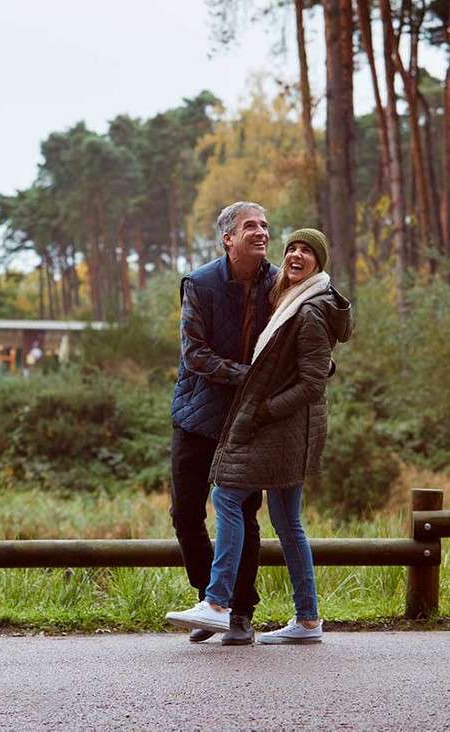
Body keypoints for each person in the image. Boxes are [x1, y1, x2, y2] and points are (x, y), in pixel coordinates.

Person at [166, 228, 353, 645]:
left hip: (280, 425)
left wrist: (263, 405)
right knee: (287, 521)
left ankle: (219, 604)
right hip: (275, 423)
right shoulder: (288, 296)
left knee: (229, 498)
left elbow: (312, 377)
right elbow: (308, 366)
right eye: (293, 248)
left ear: (319, 264)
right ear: (227, 238)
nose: (295, 254)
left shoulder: (307, 308)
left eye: (307, 251)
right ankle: (307, 619)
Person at [166, 201, 279, 645]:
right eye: (250, 225)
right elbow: (193, 353)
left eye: (265, 225)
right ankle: (208, 601)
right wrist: (246, 377)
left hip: (248, 421)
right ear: (228, 238)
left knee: (246, 515)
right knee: (186, 514)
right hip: (197, 414)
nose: (261, 231)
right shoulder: (200, 283)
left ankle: (241, 612)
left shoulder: (279, 284)